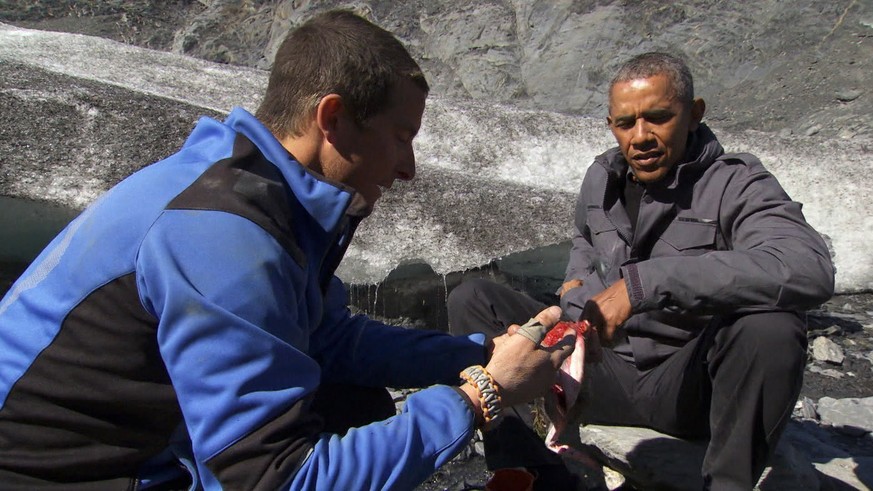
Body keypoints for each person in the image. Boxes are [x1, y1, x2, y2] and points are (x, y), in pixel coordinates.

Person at [0, 10, 576, 490]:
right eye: (401, 137)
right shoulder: (224, 233)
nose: (409, 169)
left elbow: (325, 338)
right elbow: (271, 478)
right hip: (61, 478)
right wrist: (484, 393)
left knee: (352, 401)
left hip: (117, 455)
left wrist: (480, 352)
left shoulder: (250, 188)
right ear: (332, 119)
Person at [448, 52, 835, 490]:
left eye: (658, 118)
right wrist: (574, 288)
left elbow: (807, 267)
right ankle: (529, 472)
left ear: (694, 115)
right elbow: (584, 239)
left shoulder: (736, 182)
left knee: (773, 325)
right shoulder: (602, 176)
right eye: (625, 123)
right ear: (611, 124)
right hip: (602, 371)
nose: (641, 137)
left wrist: (644, 284)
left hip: (686, 387)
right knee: (473, 298)